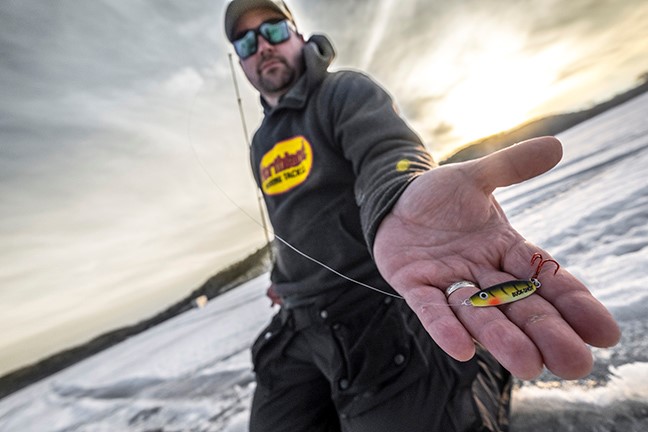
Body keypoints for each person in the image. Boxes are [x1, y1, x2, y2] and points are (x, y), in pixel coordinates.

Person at [223, 1, 621, 431]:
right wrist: (282, 277)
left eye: (274, 31)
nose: (262, 45)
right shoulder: (262, 142)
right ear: (240, 61)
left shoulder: (344, 93)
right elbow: (289, 221)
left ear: (298, 35)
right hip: (300, 321)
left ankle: (483, 374)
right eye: (247, 41)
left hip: (376, 303)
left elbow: (387, 153)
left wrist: (396, 192)